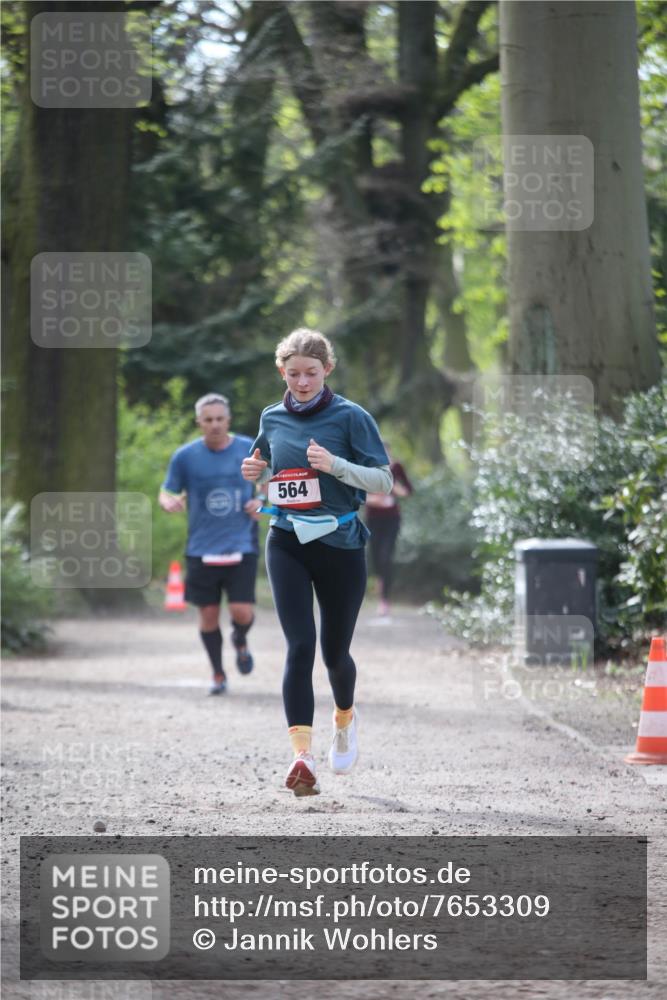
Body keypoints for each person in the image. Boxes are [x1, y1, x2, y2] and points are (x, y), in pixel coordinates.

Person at [242, 328, 392, 797]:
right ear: (281, 372)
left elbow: (383, 481)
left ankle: (344, 719)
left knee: (334, 655)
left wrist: (335, 467)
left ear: (327, 370)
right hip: (286, 540)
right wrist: (254, 475)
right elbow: (267, 470)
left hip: (341, 545)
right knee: (299, 645)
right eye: (293, 375)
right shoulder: (271, 416)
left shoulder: (352, 417)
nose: (302, 383)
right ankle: (301, 757)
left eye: (310, 373)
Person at [159, 393, 260, 695]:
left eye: (220, 419)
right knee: (208, 616)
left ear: (228, 420)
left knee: (242, 611)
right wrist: (168, 502)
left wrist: (261, 501)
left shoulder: (248, 448)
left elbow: (269, 483)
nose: (215, 425)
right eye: (208, 420)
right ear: (199, 422)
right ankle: (218, 673)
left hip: (241, 543)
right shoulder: (185, 457)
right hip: (201, 548)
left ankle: (240, 639)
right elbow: (166, 491)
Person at [365, 446, 413, 620]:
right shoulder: (368, 467)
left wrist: (390, 484)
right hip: (373, 520)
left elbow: (408, 491)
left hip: (391, 520)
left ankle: (384, 600)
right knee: (376, 557)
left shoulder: (397, 468)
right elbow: (360, 494)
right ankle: (380, 583)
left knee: (386, 556)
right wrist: (373, 499)